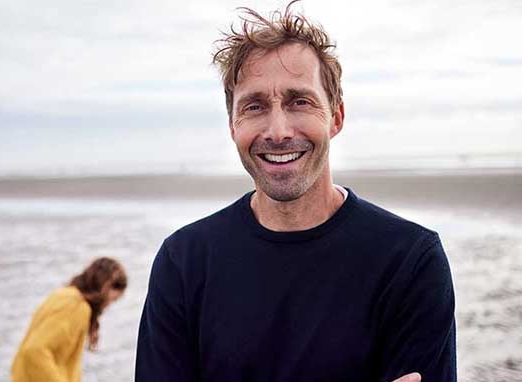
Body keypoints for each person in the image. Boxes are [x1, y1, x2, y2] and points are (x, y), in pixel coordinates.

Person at [135, 2, 456, 382]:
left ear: (336, 116)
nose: (278, 130)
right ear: (232, 125)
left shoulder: (409, 262)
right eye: (254, 106)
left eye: (299, 101)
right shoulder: (184, 263)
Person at [11, 257, 127, 382]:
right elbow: (35, 351)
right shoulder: (77, 307)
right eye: (113, 299)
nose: (108, 305)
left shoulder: (63, 295)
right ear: (105, 286)